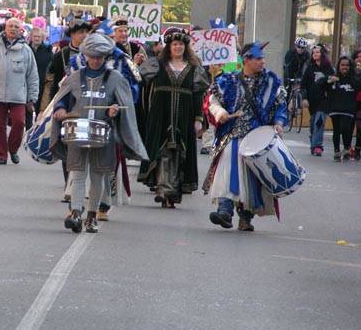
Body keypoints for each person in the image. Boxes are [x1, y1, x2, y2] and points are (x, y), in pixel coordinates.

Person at [49, 33, 147, 233]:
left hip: (104, 132)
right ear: (85, 56)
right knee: (77, 173)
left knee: (97, 176)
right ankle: (76, 212)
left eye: (99, 57)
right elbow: (62, 98)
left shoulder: (116, 79)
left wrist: (115, 110)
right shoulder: (74, 77)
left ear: (105, 57)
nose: (95, 60)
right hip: (77, 130)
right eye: (91, 56)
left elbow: (126, 104)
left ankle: (92, 215)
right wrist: (59, 108)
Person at [203, 42, 287, 232]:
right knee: (227, 172)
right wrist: (219, 113)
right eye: (258, 58)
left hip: (257, 140)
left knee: (252, 179)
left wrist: (279, 123)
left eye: (263, 58)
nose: (263, 61)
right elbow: (212, 101)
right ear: (246, 60)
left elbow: (280, 106)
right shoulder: (227, 81)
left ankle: (246, 217)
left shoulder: (271, 83)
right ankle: (224, 211)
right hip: (232, 136)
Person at [137, 28, 208, 208]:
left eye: (181, 45)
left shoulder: (194, 69)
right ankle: (162, 188)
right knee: (162, 150)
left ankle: (172, 190)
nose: (178, 47)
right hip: (161, 113)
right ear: (168, 47)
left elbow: (198, 95)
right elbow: (137, 78)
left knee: (178, 151)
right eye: (175, 44)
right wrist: (135, 64)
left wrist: (198, 119)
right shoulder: (157, 64)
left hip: (184, 114)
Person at [0, 18, 39, 164]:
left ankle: (13, 149)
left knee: (19, 122)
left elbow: (32, 76)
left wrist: (32, 98)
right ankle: (1, 155)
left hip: (18, 95)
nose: (13, 29)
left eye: (16, 27)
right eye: (10, 26)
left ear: (20, 30)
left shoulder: (26, 51)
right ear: (5, 28)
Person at [39, 19, 92, 112]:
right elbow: (49, 82)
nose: (85, 35)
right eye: (81, 32)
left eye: (86, 32)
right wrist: (43, 109)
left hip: (88, 101)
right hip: (64, 102)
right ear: (72, 34)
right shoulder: (61, 55)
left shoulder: (93, 53)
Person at [327, 56, 361, 161]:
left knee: (345, 129)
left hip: (348, 110)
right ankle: (336, 151)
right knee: (336, 130)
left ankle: (347, 148)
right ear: (338, 66)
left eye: (347, 65)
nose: (345, 67)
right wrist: (328, 80)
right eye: (342, 65)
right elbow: (321, 85)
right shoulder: (334, 78)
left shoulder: (352, 79)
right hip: (335, 109)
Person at [301, 44, 334, 156]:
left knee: (319, 122)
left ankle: (318, 146)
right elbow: (303, 85)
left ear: (323, 54)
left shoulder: (329, 68)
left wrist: (329, 81)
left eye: (317, 52)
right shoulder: (310, 68)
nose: (315, 54)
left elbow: (332, 82)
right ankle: (314, 141)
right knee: (313, 123)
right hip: (312, 100)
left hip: (324, 100)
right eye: (313, 52)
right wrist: (304, 98)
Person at [27, 26, 52, 128]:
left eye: (39, 36)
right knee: (27, 108)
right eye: (35, 36)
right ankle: (27, 130)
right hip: (27, 83)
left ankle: (36, 130)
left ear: (42, 38)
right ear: (31, 37)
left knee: (40, 109)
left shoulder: (48, 51)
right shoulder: (26, 49)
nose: (37, 38)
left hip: (42, 82)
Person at [352, 50, 361, 160]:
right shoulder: (350, 69)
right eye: (358, 57)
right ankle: (348, 148)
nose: (360, 59)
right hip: (350, 101)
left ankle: (357, 150)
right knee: (348, 126)